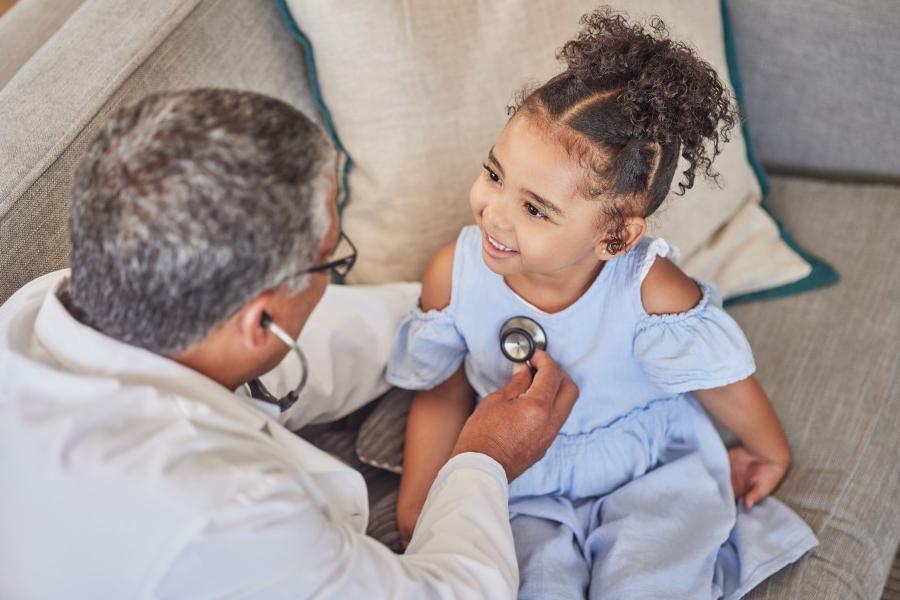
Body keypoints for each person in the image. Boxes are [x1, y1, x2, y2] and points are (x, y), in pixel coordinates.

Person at [0, 88, 579, 598]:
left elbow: (343, 336)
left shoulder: (52, 307)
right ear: (260, 321)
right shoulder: (224, 511)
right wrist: (485, 458)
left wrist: (459, 309)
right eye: (333, 256)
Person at [387, 9, 818, 599]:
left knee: (650, 582)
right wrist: (419, 503)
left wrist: (770, 450)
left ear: (614, 238)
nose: (493, 211)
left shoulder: (650, 288)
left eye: (535, 209)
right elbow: (442, 391)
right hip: (520, 476)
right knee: (531, 584)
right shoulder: (453, 275)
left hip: (645, 469)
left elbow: (723, 381)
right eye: (494, 173)